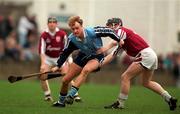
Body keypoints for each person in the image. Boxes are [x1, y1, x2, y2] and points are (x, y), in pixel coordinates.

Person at [100, 18, 178, 110]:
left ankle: (120, 103)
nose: (107, 28)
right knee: (146, 82)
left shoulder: (120, 31)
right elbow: (113, 54)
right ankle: (169, 98)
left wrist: (111, 43)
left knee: (125, 77)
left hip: (145, 55)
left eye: (108, 26)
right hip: (150, 54)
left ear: (115, 25)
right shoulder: (123, 37)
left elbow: (118, 38)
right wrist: (99, 64)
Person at [51, 16, 121, 107]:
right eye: (73, 29)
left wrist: (119, 40)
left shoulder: (92, 32)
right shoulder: (72, 39)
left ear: (82, 26)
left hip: (96, 56)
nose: (75, 31)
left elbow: (109, 31)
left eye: (77, 28)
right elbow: (65, 53)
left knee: (86, 70)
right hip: (83, 56)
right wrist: (58, 65)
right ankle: (61, 102)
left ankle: (71, 95)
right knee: (65, 80)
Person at [38, 17, 81, 102]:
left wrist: (69, 60)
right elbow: (41, 51)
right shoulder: (44, 35)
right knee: (42, 73)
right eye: (50, 22)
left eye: (54, 22)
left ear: (56, 24)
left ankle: (74, 94)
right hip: (48, 58)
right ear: (47, 24)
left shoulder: (62, 34)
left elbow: (68, 49)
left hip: (60, 58)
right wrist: (43, 63)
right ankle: (47, 95)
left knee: (67, 75)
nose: (52, 23)